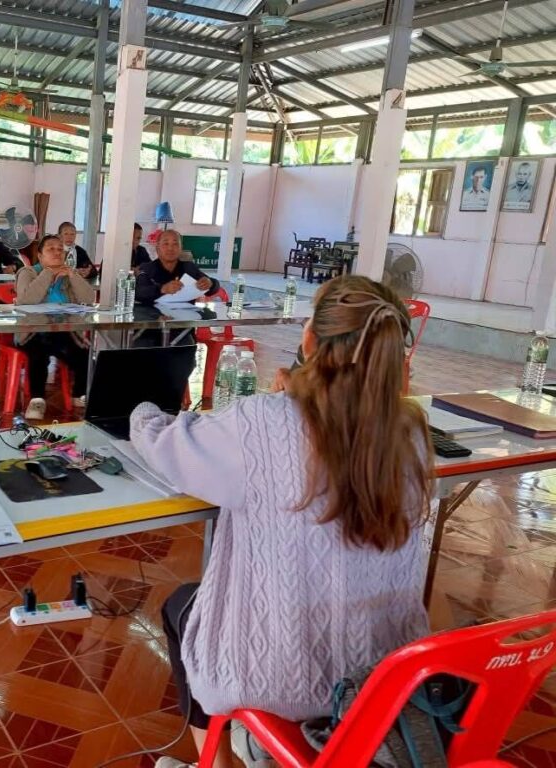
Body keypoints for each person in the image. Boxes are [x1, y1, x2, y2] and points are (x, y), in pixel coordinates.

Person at [131, 276, 432, 768]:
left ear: (309, 340)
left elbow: (166, 444)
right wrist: (296, 396)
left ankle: (222, 760)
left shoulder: (262, 422)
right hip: (385, 677)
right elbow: (337, 428)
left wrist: (142, 410)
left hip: (281, 678)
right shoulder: (412, 434)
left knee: (183, 606)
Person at [15, 234, 94, 421]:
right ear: (40, 256)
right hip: (32, 332)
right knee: (39, 349)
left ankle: (79, 394)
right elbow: (26, 300)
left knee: (84, 351)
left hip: (62, 331)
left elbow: (89, 298)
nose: (57, 252)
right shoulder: (28, 272)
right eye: (51, 249)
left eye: (60, 249)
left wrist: (73, 275)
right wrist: (48, 272)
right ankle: (37, 399)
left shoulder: (67, 275)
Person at [135, 229, 218, 304]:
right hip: (155, 314)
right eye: (166, 244)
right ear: (157, 249)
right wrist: (162, 289)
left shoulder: (189, 268)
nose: (170, 248)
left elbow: (214, 287)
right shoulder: (147, 269)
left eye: (175, 244)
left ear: (181, 248)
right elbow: (138, 293)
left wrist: (210, 283)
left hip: (186, 314)